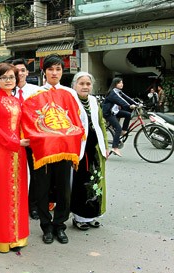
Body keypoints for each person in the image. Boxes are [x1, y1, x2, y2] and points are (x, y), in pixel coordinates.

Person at [21, 54, 86, 245]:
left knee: (64, 191)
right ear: (44, 72)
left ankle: (60, 225)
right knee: (42, 189)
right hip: (43, 152)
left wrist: (78, 147)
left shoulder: (69, 94)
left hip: (65, 150)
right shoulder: (34, 95)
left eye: (58, 69)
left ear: (62, 71)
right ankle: (46, 226)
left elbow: (78, 121)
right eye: (51, 69)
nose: (54, 73)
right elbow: (29, 123)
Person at [0, 62, 30, 253]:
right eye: (4, 77)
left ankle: (18, 236)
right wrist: (15, 143)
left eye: (11, 77)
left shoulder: (17, 100)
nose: (8, 80)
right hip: (3, 151)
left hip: (19, 152)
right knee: (4, 194)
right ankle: (4, 239)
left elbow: (23, 123)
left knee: (18, 192)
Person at [71, 72, 108, 231]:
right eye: (82, 84)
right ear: (74, 86)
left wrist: (105, 146)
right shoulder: (71, 101)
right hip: (80, 150)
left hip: (95, 149)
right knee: (81, 183)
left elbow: (101, 124)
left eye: (88, 84)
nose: (85, 87)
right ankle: (79, 218)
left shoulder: (94, 101)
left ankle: (93, 215)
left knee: (96, 183)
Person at [12, 58, 41, 220]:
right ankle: (16, 203)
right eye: (16, 71)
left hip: (32, 139)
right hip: (14, 139)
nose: (20, 74)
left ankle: (33, 205)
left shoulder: (37, 91)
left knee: (36, 174)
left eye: (22, 70)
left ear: (27, 72)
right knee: (15, 173)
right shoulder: (8, 92)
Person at [102, 77, 137, 157]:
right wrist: (129, 106)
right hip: (108, 113)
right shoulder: (112, 93)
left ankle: (123, 131)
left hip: (115, 111)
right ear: (115, 84)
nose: (122, 84)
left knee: (128, 115)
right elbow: (120, 100)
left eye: (122, 82)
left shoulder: (119, 92)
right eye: (119, 83)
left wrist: (137, 104)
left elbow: (127, 98)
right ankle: (115, 147)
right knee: (118, 128)